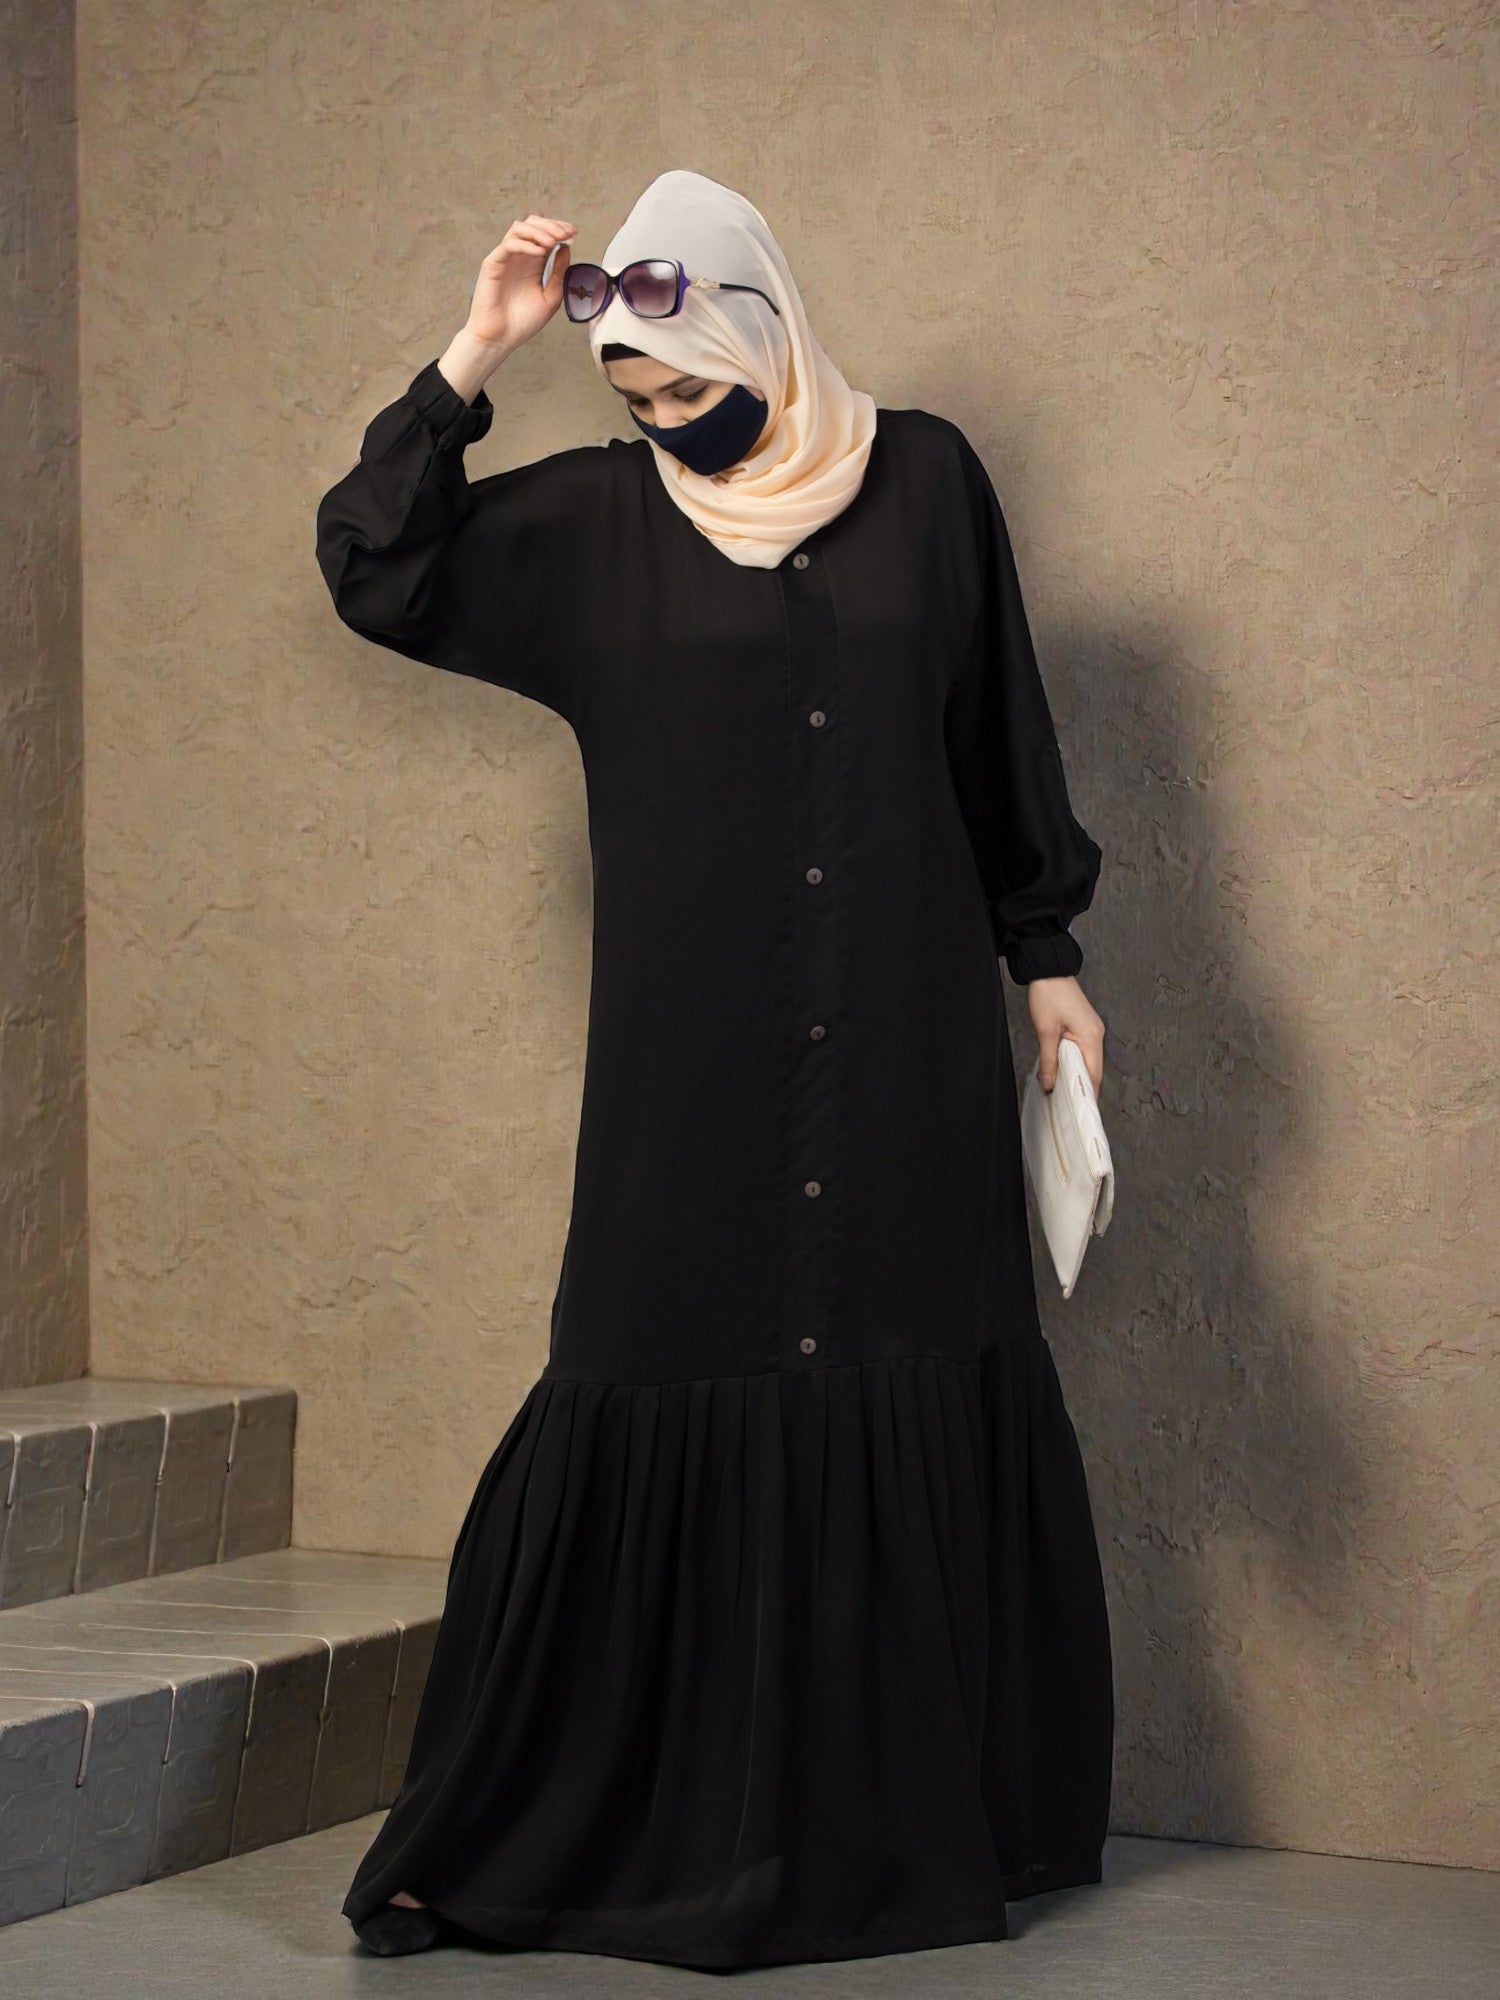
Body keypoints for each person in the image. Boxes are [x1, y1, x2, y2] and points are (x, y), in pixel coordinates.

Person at [314, 167, 1113, 1971]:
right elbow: (375, 565)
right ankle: (542, 1822)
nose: (673, 422)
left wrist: (1046, 956)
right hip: (692, 1052)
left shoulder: (929, 480)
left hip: (904, 1031)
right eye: (641, 398)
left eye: (692, 386)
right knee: (652, 1351)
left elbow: (997, 726)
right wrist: (478, 351)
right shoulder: (599, 523)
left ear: (763, 330)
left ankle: (915, 1823)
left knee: (903, 1342)